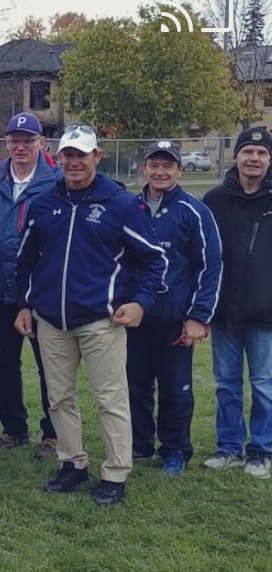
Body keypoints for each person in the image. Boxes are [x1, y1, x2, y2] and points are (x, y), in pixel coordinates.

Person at [15, 124, 167, 506]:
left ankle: (115, 473)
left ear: (96, 156)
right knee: (59, 398)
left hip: (102, 320)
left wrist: (140, 302)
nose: (74, 162)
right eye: (68, 155)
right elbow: (25, 261)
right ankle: (72, 463)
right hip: (51, 320)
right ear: (58, 157)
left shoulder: (120, 203)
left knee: (110, 398)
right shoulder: (45, 203)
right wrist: (23, 303)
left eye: (81, 155)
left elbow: (154, 260)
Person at [128, 140, 222, 476]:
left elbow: (210, 266)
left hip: (174, 319)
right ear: (144, 169)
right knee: (133, 386)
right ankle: (138, 445)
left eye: (168, 166)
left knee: (175, 389)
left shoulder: (194, 211)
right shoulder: (129, 207)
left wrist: (198, 316)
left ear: (179, 171)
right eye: (155, 164)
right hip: (134, 317)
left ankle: (175, 449)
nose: (161, 171)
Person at [0, 112, 61, 457]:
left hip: (40, 290)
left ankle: (54, 433)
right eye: (15, 141)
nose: (21, 147)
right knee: (3, 363)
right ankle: (13, 428)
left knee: (51, 365)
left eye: (28, 141)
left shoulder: (55, 181)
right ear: (7, 143)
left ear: (41, 143)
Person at [202, 126, 272, 479]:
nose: (254, 159)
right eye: (248, 152)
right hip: (224, 310)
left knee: (264, 385)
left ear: (269, 160)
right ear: (237, 157)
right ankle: (229, 447)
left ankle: (261, 450)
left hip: (265, 313)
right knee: (226, 384)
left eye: (261, 154)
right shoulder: (214, 201)